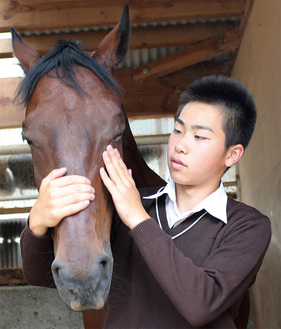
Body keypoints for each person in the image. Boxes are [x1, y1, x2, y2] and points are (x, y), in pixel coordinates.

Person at [20, 75, 271, 328]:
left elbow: (202, 305)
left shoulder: (248, 226)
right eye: (178, 130)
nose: (180, 145)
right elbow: (42, 276)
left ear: (232, 154)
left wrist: (138, 218)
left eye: (199, 137)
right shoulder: (124, 205)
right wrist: (37, 223)